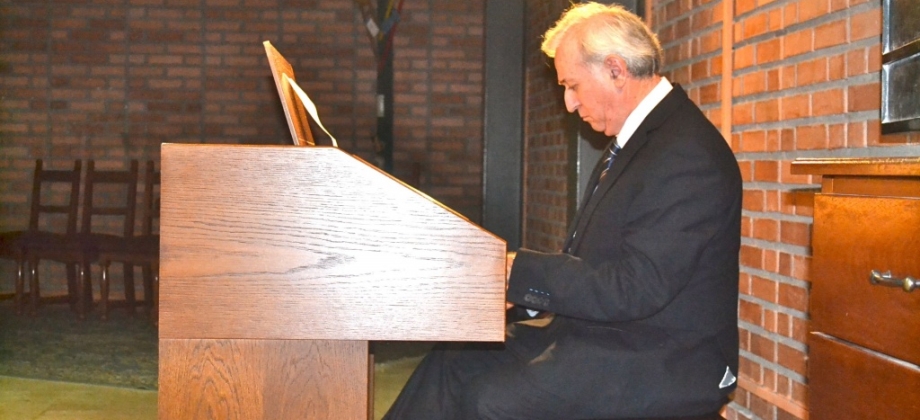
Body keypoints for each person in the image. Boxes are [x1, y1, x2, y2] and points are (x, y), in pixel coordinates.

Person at [382, 2, 741, 419]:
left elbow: (635, 287)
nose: (569, 103)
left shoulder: (684, 153)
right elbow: (594, 266)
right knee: (451, 362)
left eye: (572, 85)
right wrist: (523, 298)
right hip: (609, 337)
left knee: (491, 400)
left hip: (665, 360)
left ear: (615, 70)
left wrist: (517, 272)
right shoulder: (642, 141)